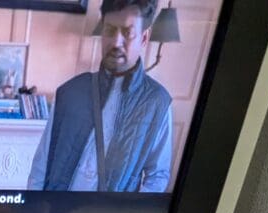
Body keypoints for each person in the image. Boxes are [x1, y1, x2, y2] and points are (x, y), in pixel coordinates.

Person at [27, 0, 172, 193]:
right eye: (110, 30)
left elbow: (157, 176)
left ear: (144, 38)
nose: (116, 42)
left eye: (127, 33)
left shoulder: (157, 102)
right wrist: (34, 211)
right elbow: (42, 163)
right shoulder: (70, 92)